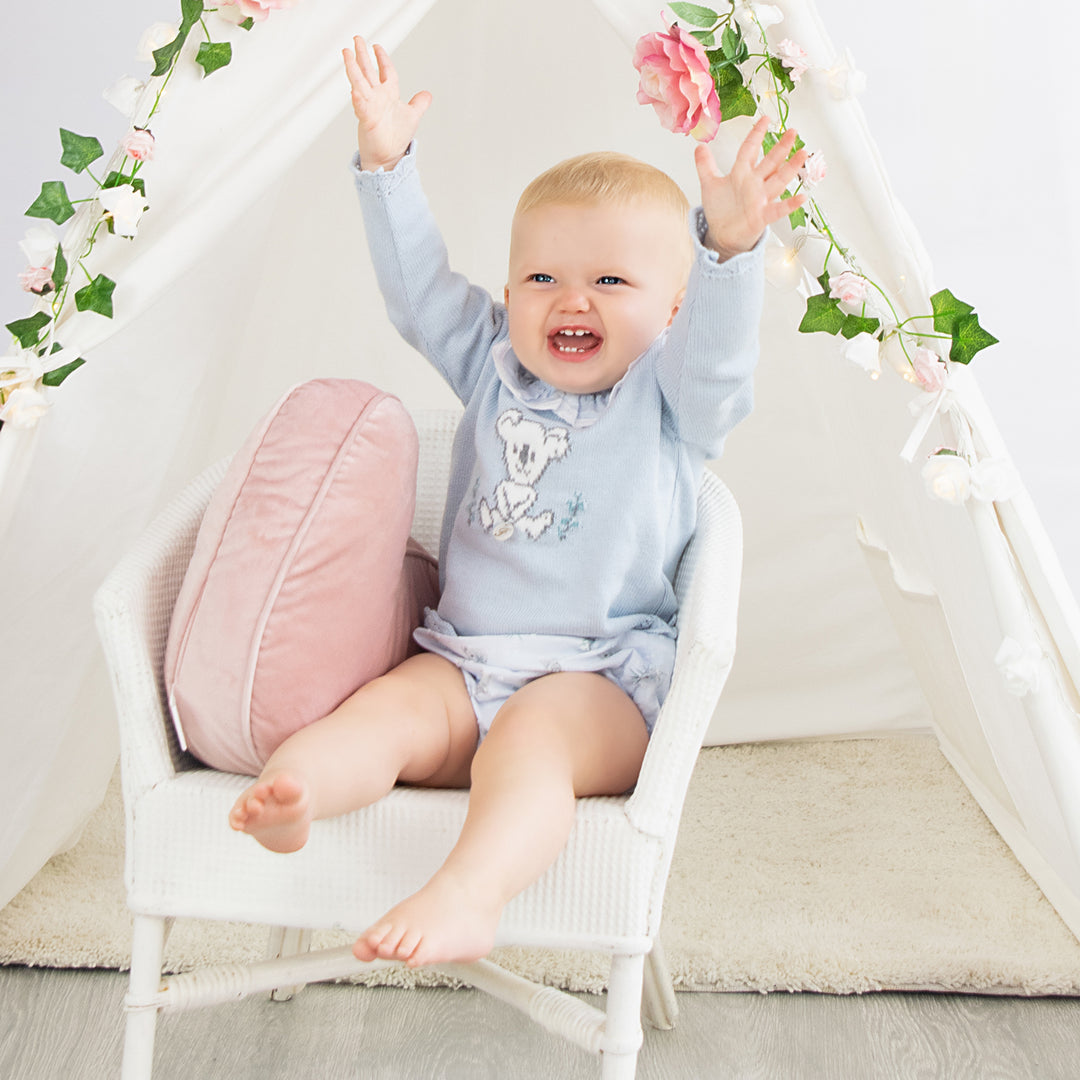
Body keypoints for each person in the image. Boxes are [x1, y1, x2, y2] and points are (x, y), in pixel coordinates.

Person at [228, 36, 806, 969]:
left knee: (530, 743)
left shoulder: (671, 400)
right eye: (543, 278)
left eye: (611, 281)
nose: (570, 299)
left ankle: (470, 894)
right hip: (462, 660)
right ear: (508, 294)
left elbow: (720, 362)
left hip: (601, 681)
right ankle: (293, 793)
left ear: (672, 308)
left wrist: (730, 247)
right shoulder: (493, 366)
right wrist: (386, 165)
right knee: (382, 713)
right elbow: (418, 294)